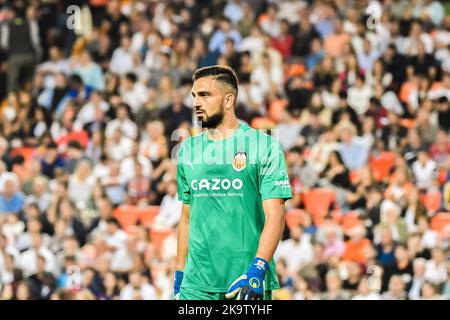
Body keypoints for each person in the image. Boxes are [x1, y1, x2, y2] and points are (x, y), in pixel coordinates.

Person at [174, 66, 292, 300]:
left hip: (245, 280)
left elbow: (276, 216)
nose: (197, 102)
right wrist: (179, 278)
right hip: (196, 285)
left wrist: (257, 270)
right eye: (195, 96)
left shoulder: (264, 146)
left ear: (228, 100)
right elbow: (186, 218)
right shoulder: (187, 150)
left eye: (205, 95)